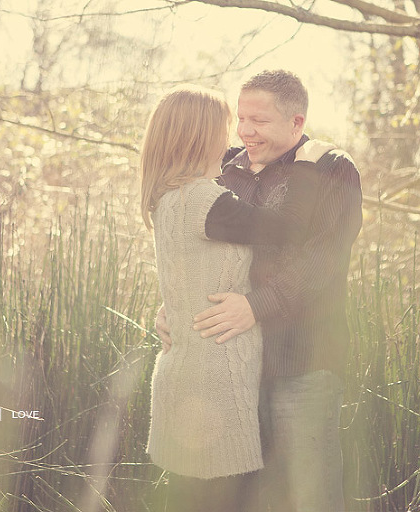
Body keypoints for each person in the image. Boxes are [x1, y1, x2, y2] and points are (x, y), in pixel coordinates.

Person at [156, 70, 363, 512]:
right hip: (230, 365)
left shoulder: (332, 169)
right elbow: (197, 247)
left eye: (259, 121)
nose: (245, 131)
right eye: (241, 118)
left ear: (295, 122)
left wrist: (256, 306)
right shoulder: (222, 166)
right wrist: (172, 306)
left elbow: (322, 261)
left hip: (299, 362)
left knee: (310, 496)